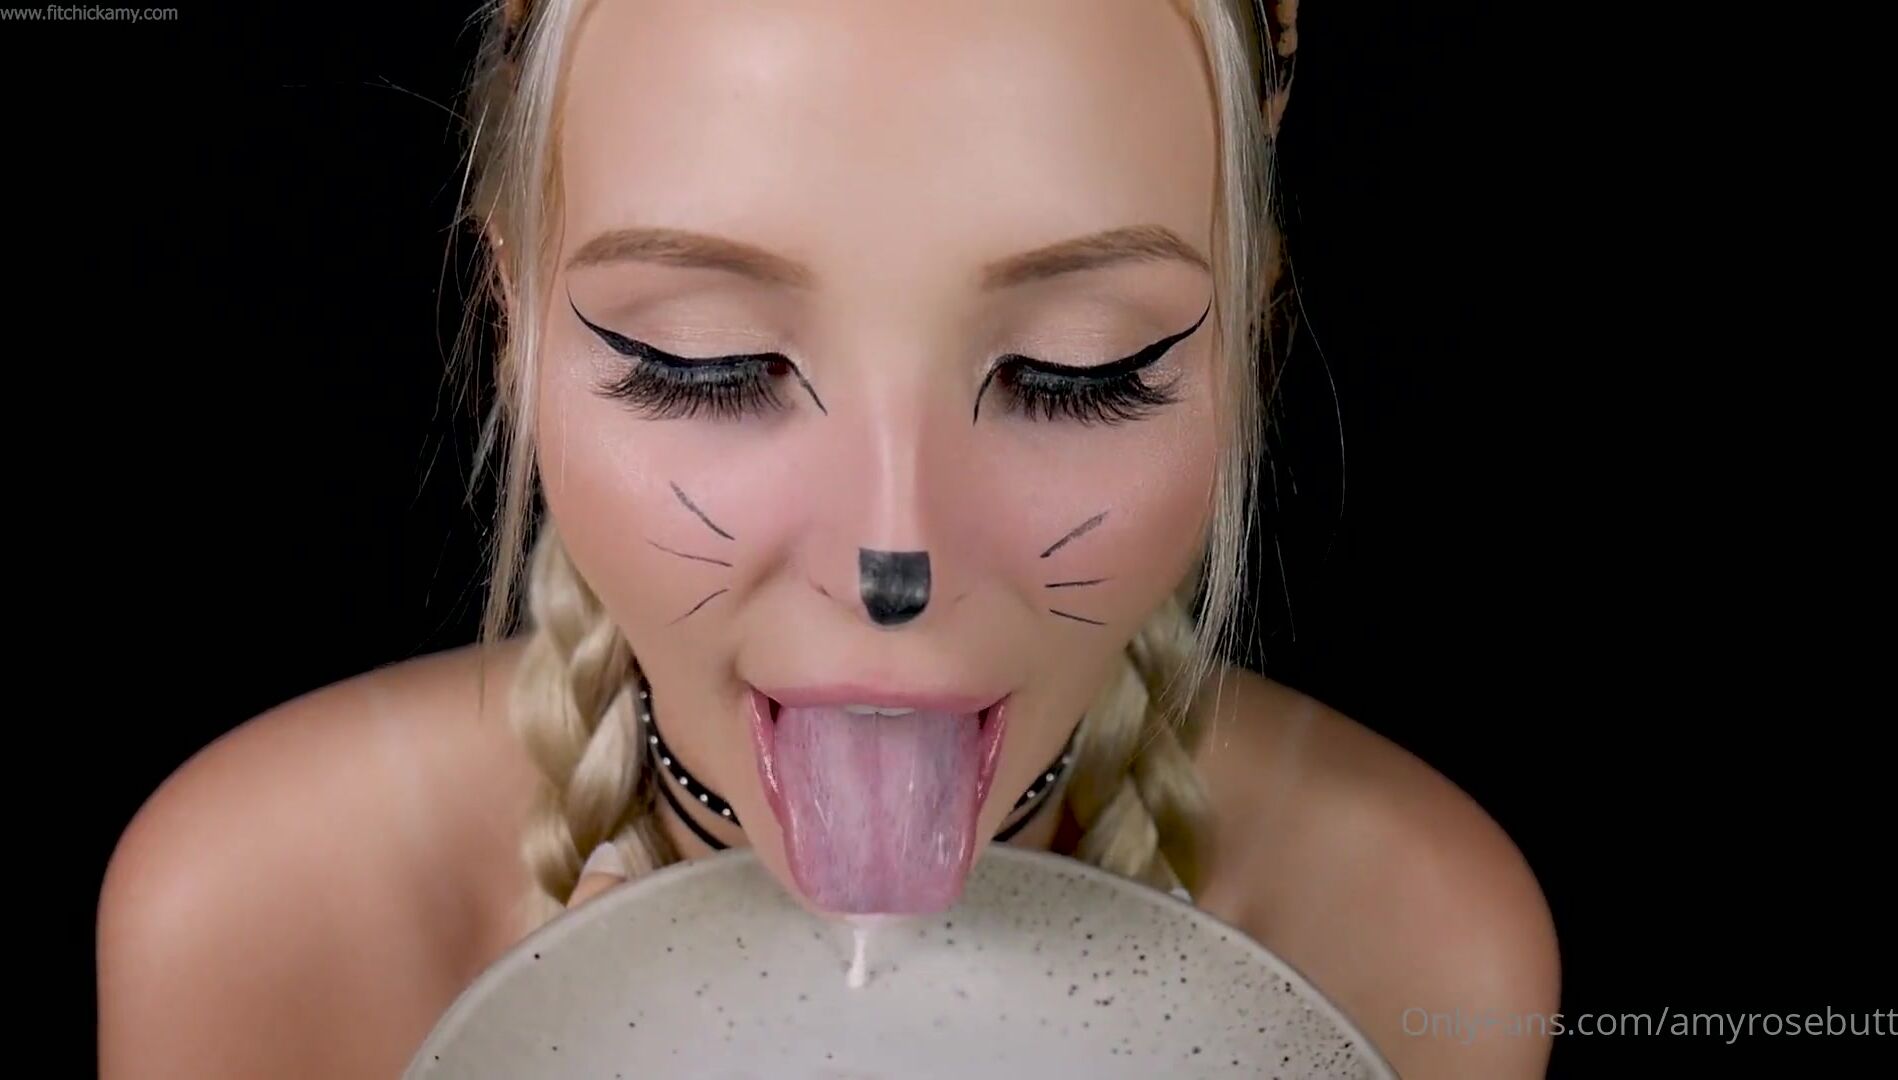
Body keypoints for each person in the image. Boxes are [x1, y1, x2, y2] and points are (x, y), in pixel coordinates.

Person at [97, 1, 1560, 1076]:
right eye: (706, 362)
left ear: (1248, 342)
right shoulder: (252, 928)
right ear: (510, 324)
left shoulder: (1420, 944)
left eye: (1080, 372)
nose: (891, 555)